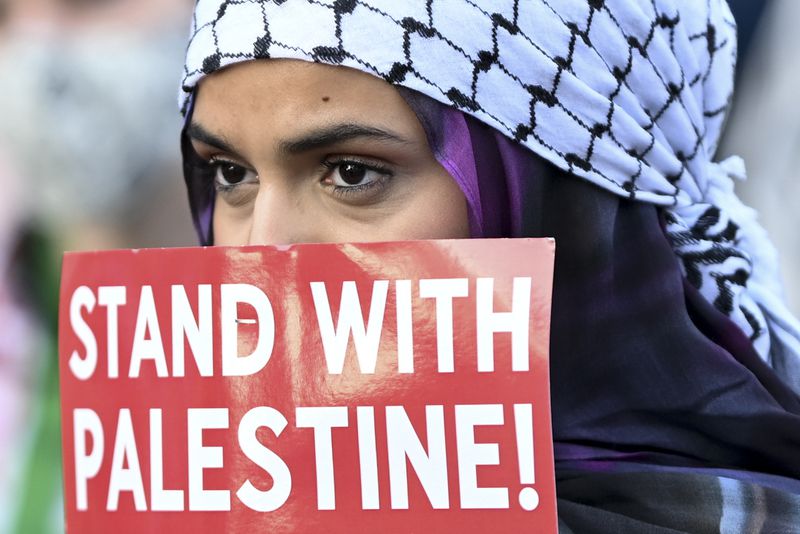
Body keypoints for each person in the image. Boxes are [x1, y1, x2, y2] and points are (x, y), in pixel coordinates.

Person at [178, 0, 800, 531]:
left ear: (565, 204)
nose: (256, 255)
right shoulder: (185, 490)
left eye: (351, 173)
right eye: (231, 174)